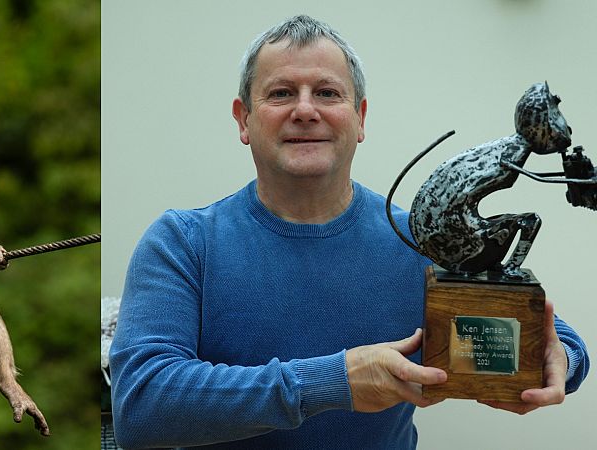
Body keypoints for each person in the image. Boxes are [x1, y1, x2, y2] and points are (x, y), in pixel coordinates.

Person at [109, 15, 590, 449]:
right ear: (243, 119)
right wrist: (335, 381)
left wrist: (555, 364)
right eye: (281, 93)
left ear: (359, 118)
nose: (304, 110)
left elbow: (562, 345)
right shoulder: (182, 243)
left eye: (327, 93)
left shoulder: (424, 242)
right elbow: (142, 408)